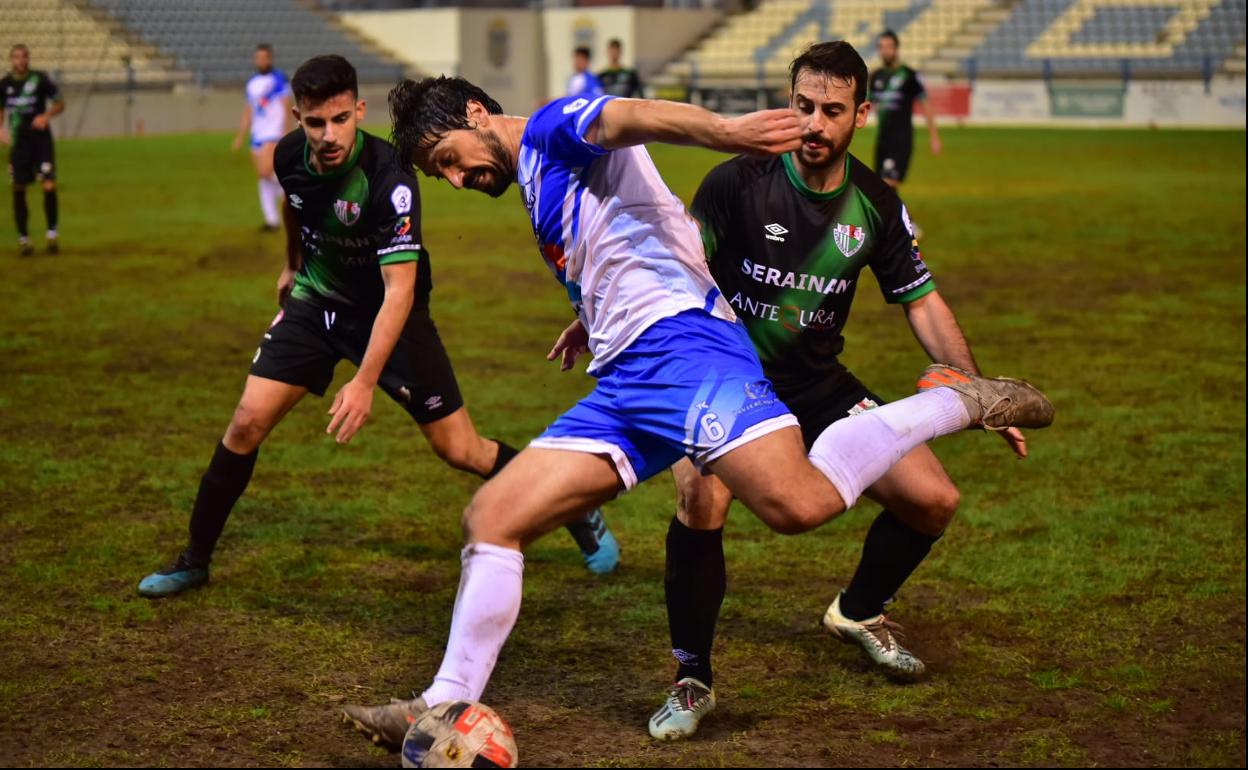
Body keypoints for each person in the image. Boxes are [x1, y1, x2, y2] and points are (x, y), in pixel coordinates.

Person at [339, 75, 1053, 750]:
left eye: (449, 162)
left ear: (473, 115)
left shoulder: (551, 127)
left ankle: (954, 404)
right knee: (492, 517)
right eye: (443, 178)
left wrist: (725, 131)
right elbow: (634, 229)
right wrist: (592, 312)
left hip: (686, 351)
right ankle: (442, 702)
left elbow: (625, 116)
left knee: (797, 505)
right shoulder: (535, 173)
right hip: (624, 380)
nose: (459, 180)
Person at [647, 40, 1028, 741]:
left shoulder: (877, 205)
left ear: (860, 115)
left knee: (933, 500)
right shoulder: (738, 181)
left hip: (820, 384)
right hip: (732, 377)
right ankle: (692, 676)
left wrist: (977, 392)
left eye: (831, 110)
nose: (813, 124)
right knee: (701, 495)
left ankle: (856, 610)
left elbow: (922, 302)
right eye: (802, 107)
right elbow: (676, 266)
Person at [137, 56, 618, 599]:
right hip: (316, 306)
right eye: (315, 123)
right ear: (297, 118)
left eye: (340, 119)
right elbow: (297, 206)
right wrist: (293, 264)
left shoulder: (390, 178)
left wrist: (365, 381)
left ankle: (578, 510)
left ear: (358, 110)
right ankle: (194, 559)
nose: (329, 134)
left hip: (392, 316)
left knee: (461, 450)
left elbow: (399, 291)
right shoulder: (288, 156)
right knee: (245, 423)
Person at [869, 30, 939, 236]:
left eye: (889, 46)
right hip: (882, 139)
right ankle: (892, 225)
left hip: (901, 139)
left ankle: (908, 224)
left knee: (888, 184)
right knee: (882, 186)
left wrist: (934, 136)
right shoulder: (876, 77)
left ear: (896, 49)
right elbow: (867, 103)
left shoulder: (908, 75)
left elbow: (925, 103)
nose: (885, 51)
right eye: (881, 47)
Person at [1, 44, 63, 256]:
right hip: (20, 143)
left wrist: (46, 116)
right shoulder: (5, 84)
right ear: (11, 60)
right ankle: (24, 240)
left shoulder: (40, 79)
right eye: (16, 57)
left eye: (24, 56)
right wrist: (0, 130)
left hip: (41, 141)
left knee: (48, 185)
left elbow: (60, 103)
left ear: (28, 59)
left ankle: (52, 235)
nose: (21, 60)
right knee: (18, 187)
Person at [232, 44, 292, 232]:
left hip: (273, 133)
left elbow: (286, 106)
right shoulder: (252, 83)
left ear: (270, 58)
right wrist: (240, 136)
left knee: (266, 172)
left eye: (264, 57)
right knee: (263, 177)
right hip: (257, 134)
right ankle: (271, 219)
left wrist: (286, 131)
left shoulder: (279, 79)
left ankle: (292, 194)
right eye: (258, 57)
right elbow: (248, 111)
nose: (261, 61)